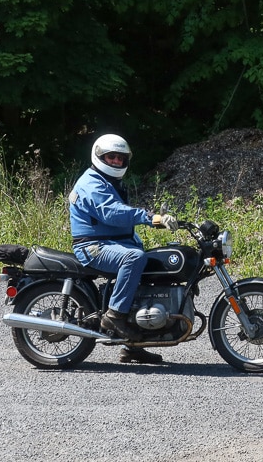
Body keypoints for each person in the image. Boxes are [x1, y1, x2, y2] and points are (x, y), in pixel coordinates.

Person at [69, 133, 179, 364]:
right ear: (100, 156)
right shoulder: (91, 183)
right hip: (94, 247)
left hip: (112, 243)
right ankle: (115, 316)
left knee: (150, 266)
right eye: (111, 157)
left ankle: (134, 346)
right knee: (134, 258)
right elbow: (113, 212)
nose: (117, 162)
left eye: (121, 158)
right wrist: (150, 217)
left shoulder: (109, 182)